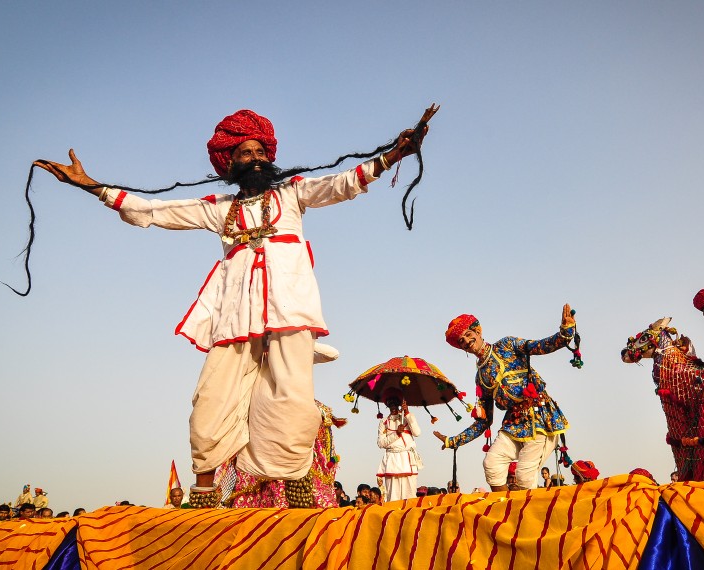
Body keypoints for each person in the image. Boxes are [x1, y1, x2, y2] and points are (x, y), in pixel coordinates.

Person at [35, 109, 429, 508]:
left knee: (291, 399)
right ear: (230, 162)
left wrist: (395, 154)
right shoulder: (218, 206)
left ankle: (295, 493)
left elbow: (342, 183)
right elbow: (157, 211)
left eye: (260, 151)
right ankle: (204, 495)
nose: (255, 158)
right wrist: (92, 186)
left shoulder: (292, 193)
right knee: (211, 399)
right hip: (234, 316)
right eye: (245, 152)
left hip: (290, 309)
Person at [433, 306, 578, 491]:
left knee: (524, 476)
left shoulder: (507, 345)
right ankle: (504, 506)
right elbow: (484, 421)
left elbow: (540, 346)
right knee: (491, 463)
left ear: (478, 332)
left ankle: (528, 509)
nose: (467, 341)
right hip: (514, 423)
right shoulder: (481, 377)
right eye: (462, 341)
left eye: (469, 335)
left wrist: (566, 332)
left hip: (539, 417)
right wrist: (454, 441)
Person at [376, 389, 422, 502]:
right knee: (393, 497)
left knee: (410, 496)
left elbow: (417, 433)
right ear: (387, 405)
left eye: (395, 402)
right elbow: (381, 443)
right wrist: (396, 433)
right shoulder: (384, 422)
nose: (393, 405)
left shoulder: (407, 417)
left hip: (408, 460)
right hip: (392, 460)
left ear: (400, 404)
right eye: (390, 403)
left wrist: (407, 413)